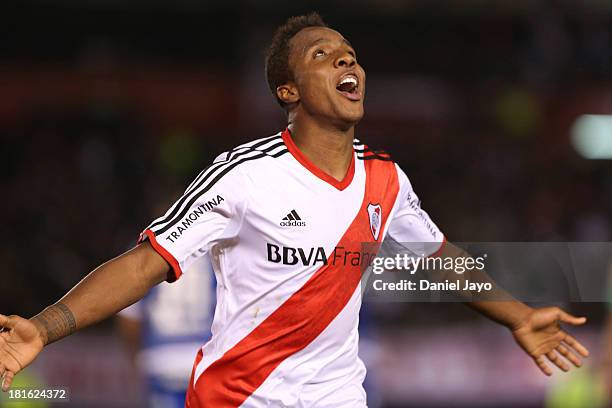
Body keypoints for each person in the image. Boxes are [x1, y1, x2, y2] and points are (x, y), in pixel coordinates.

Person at [0, 13, 590, 408]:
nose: (346, 63)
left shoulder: (385, 178)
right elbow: (144, 264)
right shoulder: (245, 175)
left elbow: (438, 256)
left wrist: (516, 314)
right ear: (289, 91)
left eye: (351, 55)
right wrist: (45, 328)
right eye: (323, 55)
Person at [117, 255, 216, 408]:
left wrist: (136, 355)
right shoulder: (216, 248)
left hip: (162, 358)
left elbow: (130, 317)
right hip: (204, 358)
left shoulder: (145, 249)